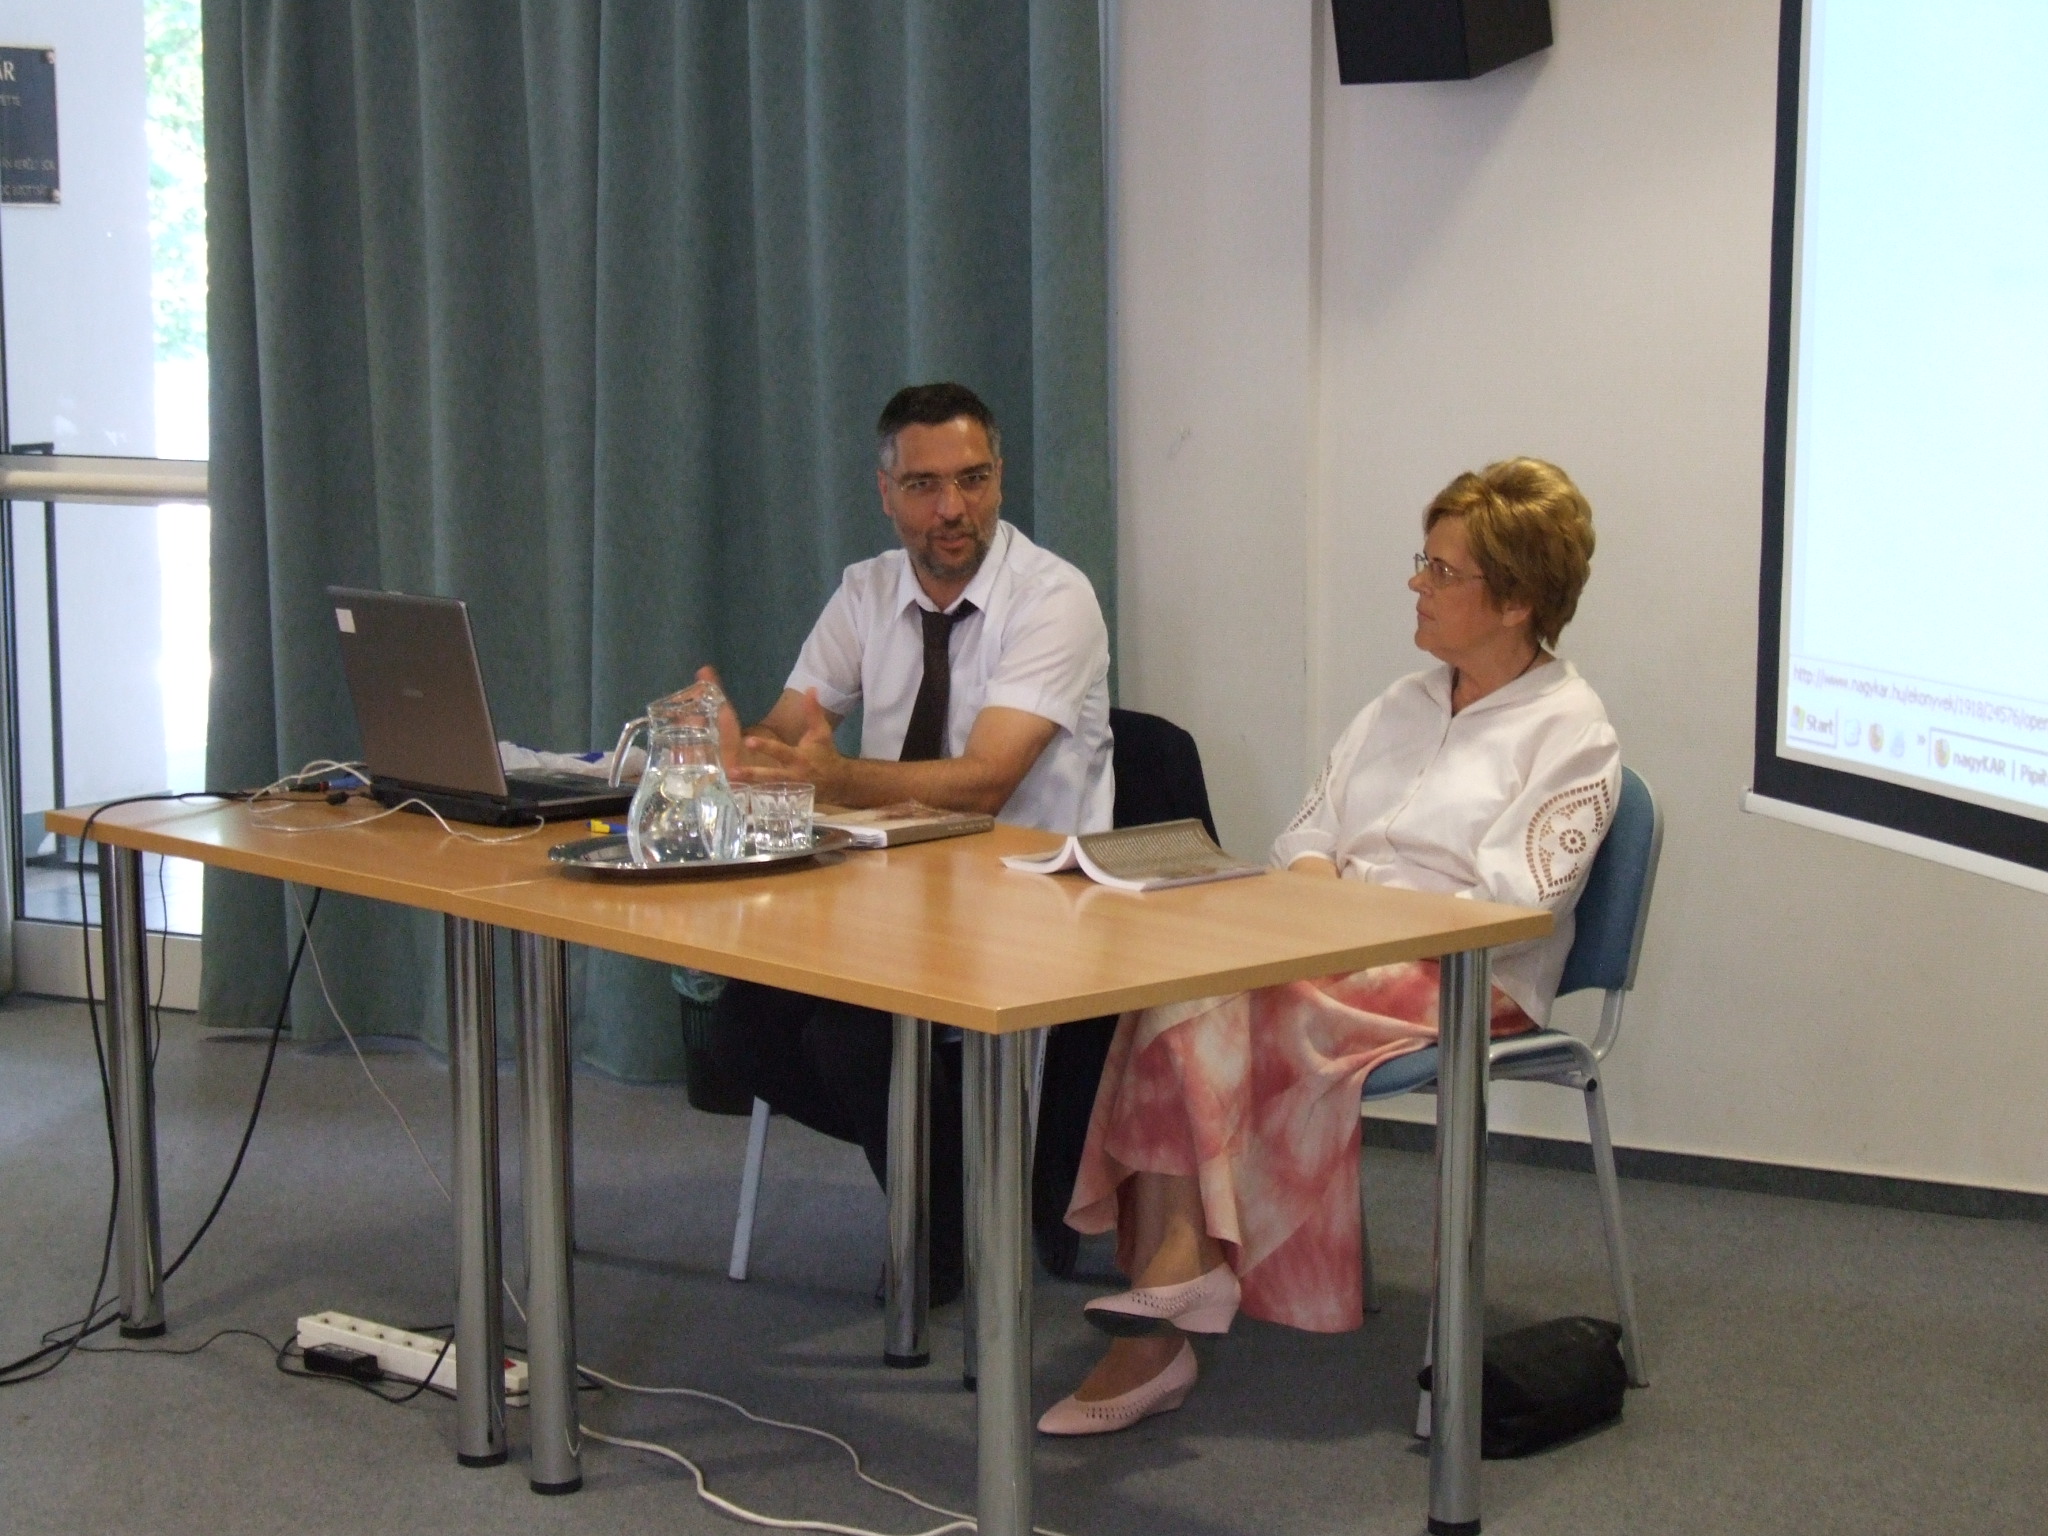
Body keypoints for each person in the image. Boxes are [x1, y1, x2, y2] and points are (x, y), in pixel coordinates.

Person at [1037, 457, 1620, 1435]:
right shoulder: (1400, 703)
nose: (1416, 585)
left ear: (1517, 600)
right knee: (1181, 978)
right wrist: (1318, 899)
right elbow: (1303, 836)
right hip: (1338, 946)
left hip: (1465, 977)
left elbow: (1511, 906)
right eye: (1421, 562)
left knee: (1240, 1001)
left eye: (1442, 571)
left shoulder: (1573, 733)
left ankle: (1163, 1315)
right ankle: (1177, 1279)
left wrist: (1347, 918)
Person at [703, 381, 1114, 1304]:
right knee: (740, 1030)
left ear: (1000, 477)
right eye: (925, 486)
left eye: (973, 479)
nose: (953, 508)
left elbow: (987, 780)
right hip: (891, 894)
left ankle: (939, 1232)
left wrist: (838, 780)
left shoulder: (1054, 598)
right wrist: (745, 751)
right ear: (886, 494)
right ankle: (957, 1176)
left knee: (854, 1034)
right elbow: (794, 726)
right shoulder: (867, 591)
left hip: (1030, 895)